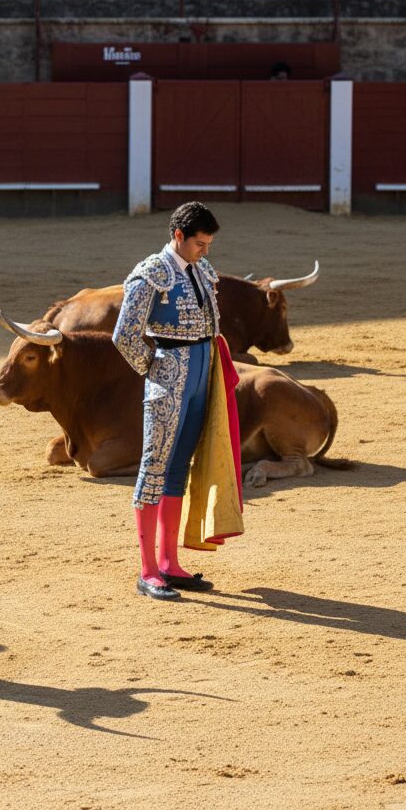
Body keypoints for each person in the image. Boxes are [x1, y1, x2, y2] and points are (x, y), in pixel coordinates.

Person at [112, 202, 237, 601]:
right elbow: (125, 335)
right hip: (170, 377)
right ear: (178, 236)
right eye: (200, 243)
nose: (206, 251)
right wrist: (155, 368)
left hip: (202, 374)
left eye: (210, 244)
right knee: (154, 467)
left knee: (179, 466)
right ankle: (148, 571)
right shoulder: (150, 273)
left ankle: (169, 562)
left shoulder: (201, 269)